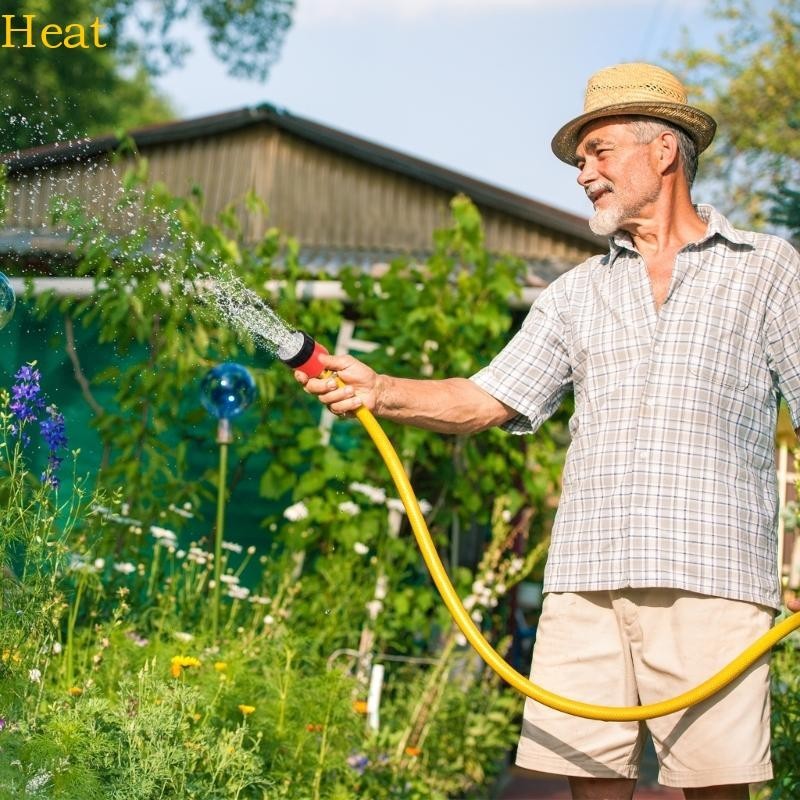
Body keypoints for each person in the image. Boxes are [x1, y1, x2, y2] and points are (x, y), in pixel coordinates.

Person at [295, 62, 800, 800]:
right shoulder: (575, 294)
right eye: (579, 159)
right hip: (587, 581)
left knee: (716, 790)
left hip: (713, 578)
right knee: (587, 785)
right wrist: (382, 389)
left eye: (597, 152)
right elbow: (487, 399)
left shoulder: (770, 271)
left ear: (662, 149)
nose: (582, 173)